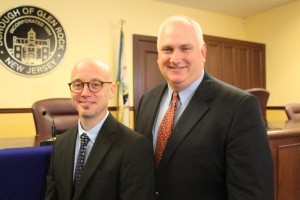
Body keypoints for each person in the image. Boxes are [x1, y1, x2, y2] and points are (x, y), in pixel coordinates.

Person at [135, 16, 274, 200]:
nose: (175, 59)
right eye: (167, 49)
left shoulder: (239, 107)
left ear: (202, 52)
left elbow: (253, 194)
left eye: (185, 48)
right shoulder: (147, 100)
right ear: (158, 55)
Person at [45, 59, 155, 200]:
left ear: (111, 91)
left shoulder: (135, 146)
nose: (85, 93)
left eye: (95, 85)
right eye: (78, 85)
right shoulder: (60, 143)